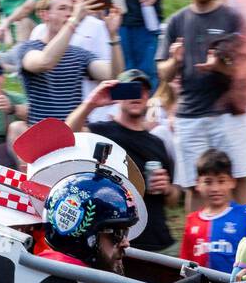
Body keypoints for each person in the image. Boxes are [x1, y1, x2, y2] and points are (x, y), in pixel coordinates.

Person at [156, 0, 246, 209]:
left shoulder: (233, 18)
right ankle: (196, 247)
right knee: (194, 185)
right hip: (189, 115)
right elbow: (163, 74)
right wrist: (175, 60)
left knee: (238, 179)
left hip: (229, 114)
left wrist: (220, 67)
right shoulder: (175, 22)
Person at [66, 69, 178, 254]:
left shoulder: (157, 141)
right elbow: (66, 137)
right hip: (117, 245)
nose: (137, 95)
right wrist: (91, 104)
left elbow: (173, 199)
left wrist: (167, 188)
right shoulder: (101, 132)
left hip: (161, 244)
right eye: (131, 89)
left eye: (142, 90)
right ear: (118, 95)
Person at [14, 0, 119, 124]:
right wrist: (74, 20)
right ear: (44, 14)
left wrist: (114, 36)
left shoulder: (79, 53)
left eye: (71, 9)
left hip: (76, 134)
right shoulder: (28, 48)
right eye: (62, 8)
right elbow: (45, 62)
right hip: (42, 134)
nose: (69, 14)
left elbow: (113, 75)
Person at [38, 164, 139, 275]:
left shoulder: (39, 267)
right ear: (83, 236)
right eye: (117, 234)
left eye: (126, 232)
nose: (126, 243)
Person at [180, 148, 246, 274]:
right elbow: (184, 265)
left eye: (221, 181)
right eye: (208, 182)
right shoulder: (192, 221)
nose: (215, 188)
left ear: (232, 182)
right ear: (198, 184)